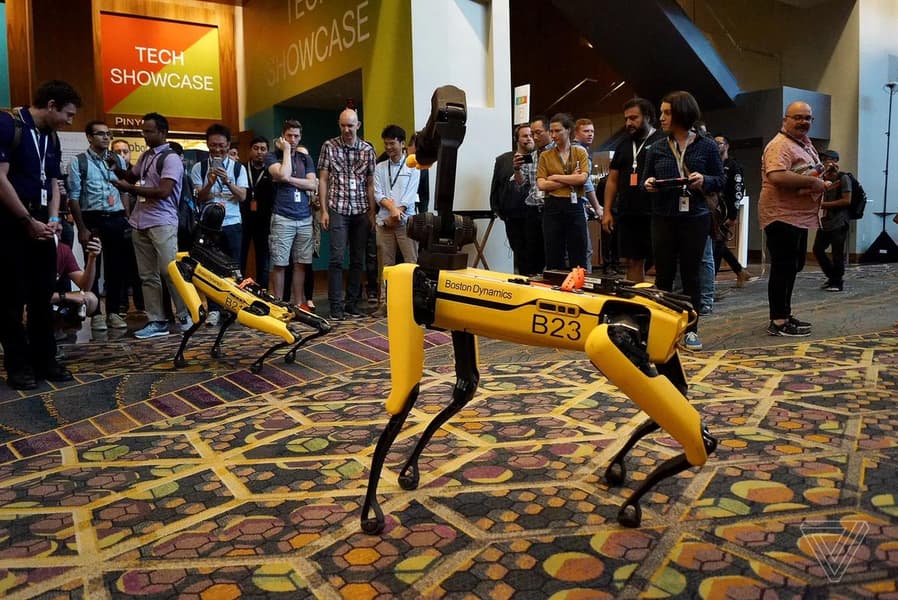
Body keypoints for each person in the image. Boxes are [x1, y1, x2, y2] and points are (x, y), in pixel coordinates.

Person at [0, 80, 81, 389]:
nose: (69, 122)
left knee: (41, 296)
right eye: (68, 115)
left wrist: (53, 218)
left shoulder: (51, 137)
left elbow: (54, 182)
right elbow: (0, 179)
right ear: (51, 106)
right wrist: (26, 220)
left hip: (43, 223)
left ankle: (45, 360)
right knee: (10, 299)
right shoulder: (8, 124)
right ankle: (18, 366)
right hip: (11, 224)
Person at [643, 91, 725, 352]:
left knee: (691, 275)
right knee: (663, 276)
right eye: (661, 112)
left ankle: (691, 330)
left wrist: (705, 180)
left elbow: (720, 179)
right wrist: (648, 184)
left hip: (695, 217)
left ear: (682, 113)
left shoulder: (707, 146)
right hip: (663, 216)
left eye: (667, 112)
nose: (661, 117)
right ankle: (661, 329)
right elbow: (646, 179)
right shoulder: (656, 147)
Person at [110, 112, 191, 339]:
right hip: (140, 221)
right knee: (147, 276)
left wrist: (130, 189)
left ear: (162, 132)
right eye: (143, 131)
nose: (144, 135)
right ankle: (157, 320)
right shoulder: (146, 156)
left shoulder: (171, 158)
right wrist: (116, 168)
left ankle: (185, 315)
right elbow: (130, 176)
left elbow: (164, 191)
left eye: (149, 131)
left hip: (162, 221)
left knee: (171, 272)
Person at [759, 101, 826, 337]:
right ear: (785, 119)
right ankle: (778, 321)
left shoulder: (803, 143)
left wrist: (819, 179)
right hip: (781, 215)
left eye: (807, 118)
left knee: (793, 266)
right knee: (783, 267)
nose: (803, 122)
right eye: (798, 117)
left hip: (798, 217)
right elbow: (777, 176)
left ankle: (785, 313)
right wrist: (812, 182)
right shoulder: (780, 145)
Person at [67, 120, 132, 331]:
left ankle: (113, 312)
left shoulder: (117, 160)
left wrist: (126, 217)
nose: (106, 137)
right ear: (89, 137)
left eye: (108, 134)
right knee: (92, 267)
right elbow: (73, 197)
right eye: (100, 134)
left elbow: (124, 190)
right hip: (91, 219)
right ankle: (95, 314)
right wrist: (82, 228)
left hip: (116, 217)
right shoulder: (78, 162)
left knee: (116, 267)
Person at [318, 108, 377, 321]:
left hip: (361, 209)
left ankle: (352, 304)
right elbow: (323, 179)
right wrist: (324, 210)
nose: (346, 129)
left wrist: (372, 212)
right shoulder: (329, 146)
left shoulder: (367, 150)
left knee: (358, 259)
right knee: (336, 258)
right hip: (338, 208)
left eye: (350, 125)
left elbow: (370, 183)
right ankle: (335, 306)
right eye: (343, 125)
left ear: (358, 125)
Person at [603, 98, 665, 283]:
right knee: (632, 261)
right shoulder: (623, 144)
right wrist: (607, 211)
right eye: (626, 119)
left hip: (656, 211)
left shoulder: (662, 140)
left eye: (634, 118)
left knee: (661, 260)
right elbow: (612, 180)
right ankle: (636, 297)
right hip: (629, 212)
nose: (629, 123)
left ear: (648, 117)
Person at [191, 124, 248, 325]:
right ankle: (214, 309)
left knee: (234, 267)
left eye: (221, 145)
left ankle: (234, 307)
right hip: (209, 225)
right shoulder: (199, 168)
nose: (217, 149)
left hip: (232, 223)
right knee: (210, 268)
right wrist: (209, 182)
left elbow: (242, 196)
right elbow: (199, 198)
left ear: (228, 145)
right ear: (207, 145)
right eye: (213, 145)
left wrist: (227, 181)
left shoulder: (238, 168)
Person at [266, 119, 317, 308]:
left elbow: (312, 184)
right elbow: (281, 173)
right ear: (283, 136)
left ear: (300, 137)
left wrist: (289, 179)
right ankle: (278, 305)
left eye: (296, 136)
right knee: (280, 263)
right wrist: (286, 150)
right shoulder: (272, 156)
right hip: (282, 217)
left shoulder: (305, 159)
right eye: (289, 136)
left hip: (304, 217)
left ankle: (298, 304)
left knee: (301, 263)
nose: (293, 139)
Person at [536, 113, 590, 271]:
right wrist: (570, 178)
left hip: (575, 205)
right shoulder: (545, 156)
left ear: (568, 130)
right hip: (553, 206)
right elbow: (541, 184)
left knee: (578, 253)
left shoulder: (579, 152)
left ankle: (579, 283)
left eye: (558, 131)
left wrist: (556, 177)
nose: (554, 135)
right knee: (553, 253)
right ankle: (555, 283)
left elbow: (582, 179)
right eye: (551, 131)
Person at [490, 124, 542, 275]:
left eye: (531, 135)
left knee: (537, 254)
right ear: (517, 139)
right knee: (519, 253)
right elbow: (496, 185)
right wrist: (497, 208)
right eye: (525, 136)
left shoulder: (541, 158)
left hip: (536, 214)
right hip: (513, 215)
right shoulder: (503, 160)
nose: (529, 138)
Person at [374, 125, 420, 288]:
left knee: (411, 263)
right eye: (386, 143)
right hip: (384, 222)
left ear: (402, 144)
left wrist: (396, 214)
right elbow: (378, 194)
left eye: (392, 143)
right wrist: (392, 211)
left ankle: (412, 298)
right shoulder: (379, 167)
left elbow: (410, 196)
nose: (388, 147)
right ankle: (385, 299)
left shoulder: (413, 166)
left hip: (406, 222)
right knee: (386, 265)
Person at [713, 134, 757, 287]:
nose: (716, 145)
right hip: (713, 211)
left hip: (725, 211)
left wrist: (733, 215)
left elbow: (737, 192)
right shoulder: (713, 163)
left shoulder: (733, 166)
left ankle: (711, 284)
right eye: (714, 142)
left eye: (719, 143)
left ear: (726, 146)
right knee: (718, 244)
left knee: (718, 246)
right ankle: (740, 271)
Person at [813, 149, 851, 292]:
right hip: (825, 221)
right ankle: (832, 276)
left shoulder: (843, 178)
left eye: (827, 159)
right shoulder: (822, 178)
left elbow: (847, 200)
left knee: (837, 252)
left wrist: (823, 205)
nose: (824, 162)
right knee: (817, 249)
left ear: (835, 161)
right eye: (823, 159)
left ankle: (837, 282)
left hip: (839, 221)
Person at [241, 136, 274, 289]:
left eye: (263, 149)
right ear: (250, 151)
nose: (259, 152)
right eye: (256, 148)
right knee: (240, 258)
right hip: (243, 219)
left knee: (263, 260)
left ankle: (263, 292)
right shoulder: (241, 169)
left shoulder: (272, 171)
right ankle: (238, 291)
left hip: (264, 221)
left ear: (267, 152)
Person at [572, 118, 604, 272]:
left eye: (592, 131)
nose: (590, 134)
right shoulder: (580, 151)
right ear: (576, 133)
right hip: (577, 206)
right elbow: (586, 182)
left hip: (570, 205)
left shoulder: (568, 149)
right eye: (586, 131)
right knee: (585, 251)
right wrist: (597, 207)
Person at [53, 237, 102, 333]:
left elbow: (85, 287)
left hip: (54, 299)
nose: (58, 229)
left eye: (59, 228)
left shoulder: (63, 249)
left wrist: (92, 258)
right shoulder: (28, 249)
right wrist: (65, 296)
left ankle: (59, 328)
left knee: (90, 299)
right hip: (33, 301)